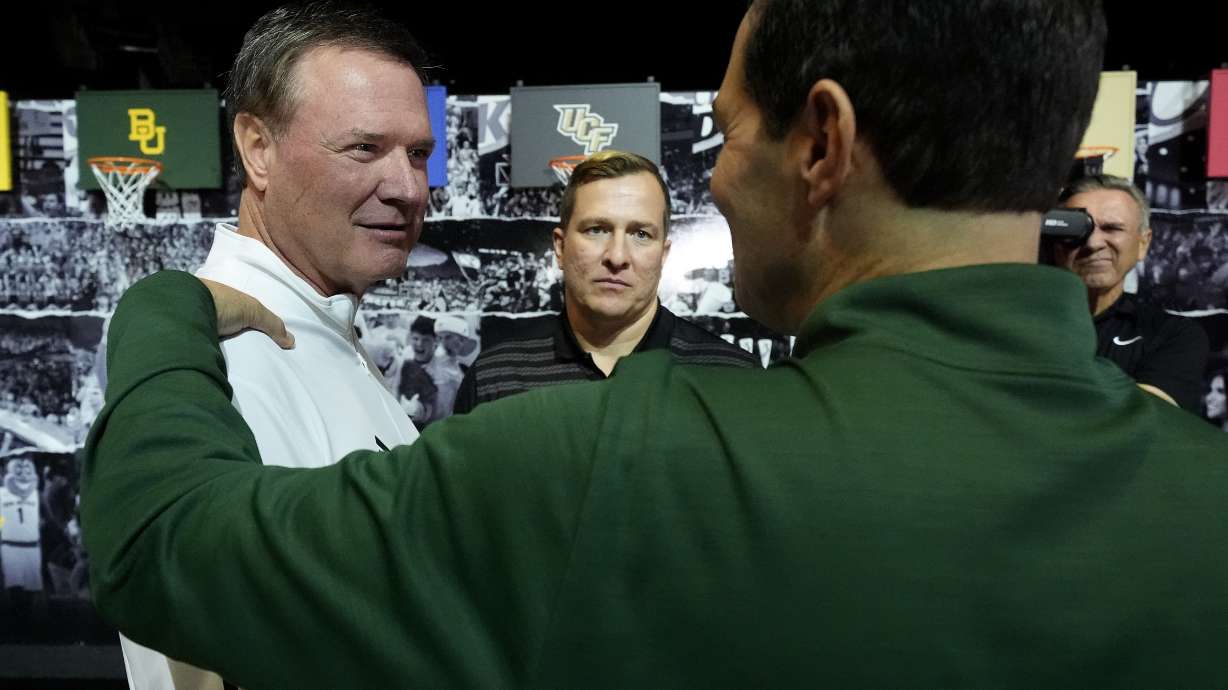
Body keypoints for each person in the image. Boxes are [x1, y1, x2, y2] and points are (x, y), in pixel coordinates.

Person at [84, 1, 1228, 686]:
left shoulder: (608, 466)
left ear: (820, 144)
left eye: (725, 133)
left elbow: (164, 541)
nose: (715, 181)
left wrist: (161, 306)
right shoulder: (1198, 493)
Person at [116, 2, 431, 688]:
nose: (409, 189)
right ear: (258, 149)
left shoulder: (317, 325)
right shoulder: (232, 359)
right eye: (365, 148)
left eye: (418, 153)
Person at [454, 151, 756, 414]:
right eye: (597, 230)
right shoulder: (495, 379)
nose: (617, 256)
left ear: (663, 255)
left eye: (641, 234)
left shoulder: (732, 378)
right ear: (560, 247)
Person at [1054, 174, 1209, 410]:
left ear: (1143, 244)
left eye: (1112, 228)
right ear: (1055, 242)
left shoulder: (1171, 335)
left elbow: (1144, 420)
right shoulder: (1017, 323)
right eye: (1078, 228)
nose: (1093, 243)